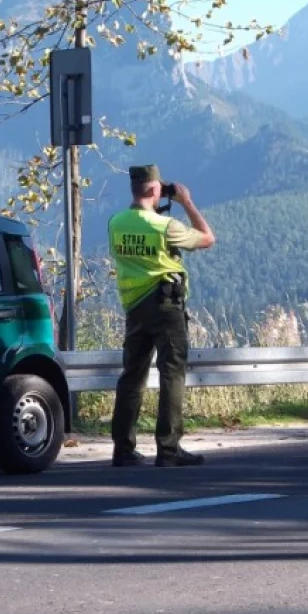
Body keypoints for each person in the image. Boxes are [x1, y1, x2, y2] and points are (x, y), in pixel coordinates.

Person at [108, 165, 216, 467]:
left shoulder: (115, 223)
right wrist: (186, 202)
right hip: (166, 307)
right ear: (155, 189)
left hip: (134, 307)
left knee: (132, 376)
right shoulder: (164, 226)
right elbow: (208, 238)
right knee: (171, 373)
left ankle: (123, 448)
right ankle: (168, 448)